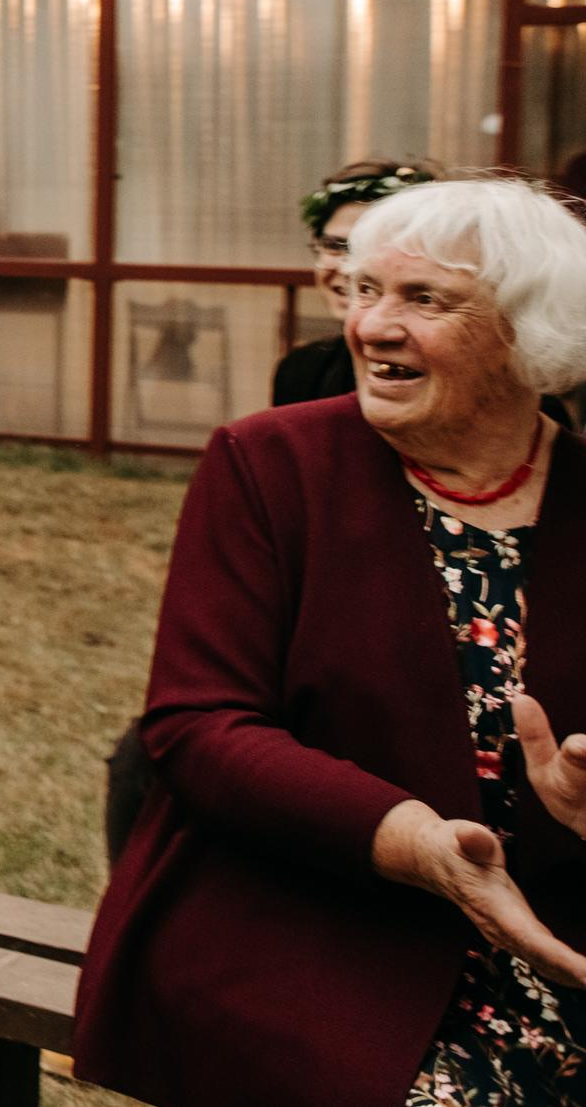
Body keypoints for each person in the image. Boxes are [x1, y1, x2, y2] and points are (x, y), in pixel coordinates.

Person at [74, 178, 586, 1105]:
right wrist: (416, 842)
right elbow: (197, 726)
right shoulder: (270, 464)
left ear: (528, 329)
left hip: (556, 932)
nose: (372, 325)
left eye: (423, 298)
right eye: (364, 289)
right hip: (305, 926)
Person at [273, 157, 440, 405]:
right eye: (334, 246)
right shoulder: (300, 369)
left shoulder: (433, 374)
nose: (347, 267)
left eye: (371, 248)